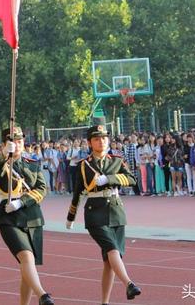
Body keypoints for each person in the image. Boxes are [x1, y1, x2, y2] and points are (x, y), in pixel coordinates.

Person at [65, 124, 141, 304]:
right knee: (112, 249)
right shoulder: (84, 165)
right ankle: (129, 283)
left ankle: (104, 302)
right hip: (95, 212)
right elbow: (77, 192)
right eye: (97, 139)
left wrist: (110, 178)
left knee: (110, 261)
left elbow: (132, 179)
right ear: (90, 142)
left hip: (116, 210)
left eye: (104, 138)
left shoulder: (116, 160)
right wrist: (71, 216)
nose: (101, 141)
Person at [0, 126, 54, 305]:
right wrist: (4, 156)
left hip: (32, 215)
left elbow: (42, 189)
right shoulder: (0, 164)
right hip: (9, 218)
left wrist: (22, 201)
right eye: (12, 141)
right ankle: (42, 295)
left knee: (27, 267)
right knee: (26, 257)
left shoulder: (32, 163)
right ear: (4, 144)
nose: (17, 144)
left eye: (19, 141)